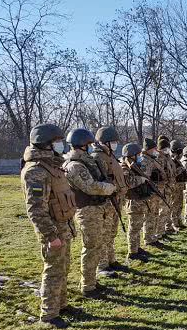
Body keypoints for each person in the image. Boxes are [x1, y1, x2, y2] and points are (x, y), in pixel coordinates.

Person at [21, 124, 76, 329]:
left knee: (63, 268)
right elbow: (35, 209)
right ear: (46, 144)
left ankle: (61, 305)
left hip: (63, 227)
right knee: (53, 271)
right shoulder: (36, 171)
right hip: (53, 231)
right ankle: (49, 314)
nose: (60, 145)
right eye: (56, 142)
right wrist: (51, 236)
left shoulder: (52, 166)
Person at [63, 129, 117, 297]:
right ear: (83, 145)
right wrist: (110, 188)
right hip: (87, 211)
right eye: (89, 144)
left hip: (95, 209)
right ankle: (87, 287)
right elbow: (91, 186)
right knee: (91, 247)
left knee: (96, 246)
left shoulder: (86, 161)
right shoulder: (75, 165)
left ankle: (91, 282)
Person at [92, 126, 127, 276]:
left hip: (115, 200)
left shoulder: (110, 155)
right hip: (106, 201)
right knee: (104, 234)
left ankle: (111, 260)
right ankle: (102, 265)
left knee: (112, 233)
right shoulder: (97, 157)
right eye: (113, 141)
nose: (115, 144)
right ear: (104, 142)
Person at [120, 143, 151, 261]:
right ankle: (132, 252)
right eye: (137, 154)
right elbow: (128, 182)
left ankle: (137, 248)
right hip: (132, 202)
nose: (139, 156)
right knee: (133, 228)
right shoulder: (124, 167)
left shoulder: (134, 166)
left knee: (138, 226)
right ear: (131, 155)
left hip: (139, 200)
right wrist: (141, 179)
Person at [140, 138, 167, 247]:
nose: (156, 150)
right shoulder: (144, 161)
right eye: (154, 148)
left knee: (154, 214)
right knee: (149, 215)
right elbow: (145, 178)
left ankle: (152, 237)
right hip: (150, 193)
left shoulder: (152, 159)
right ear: (148, 149)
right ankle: (148, 238)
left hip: (156, 191)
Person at [156, 135, 178, 237]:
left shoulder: (168, 157)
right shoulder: (158, 157)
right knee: (162, 211)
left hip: (169, 187)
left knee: (168, 209)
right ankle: (160, 232)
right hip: (162, 188)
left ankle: (167, 228)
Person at [169, 140, 187, 232]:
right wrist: (180, 169)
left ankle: (179, 221)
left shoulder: (178, 161)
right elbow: (171, 174)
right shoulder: (170, 161)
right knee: (174, 205)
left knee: (180, 204)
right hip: (174, 186)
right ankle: (174, 223)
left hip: (180, 185)